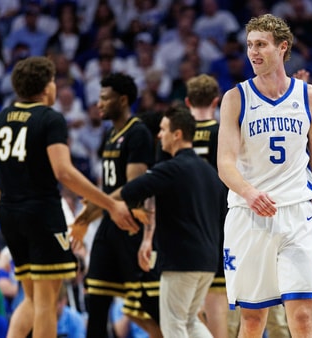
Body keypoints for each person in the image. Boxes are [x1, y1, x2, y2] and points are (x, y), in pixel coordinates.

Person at [0, 56, 138, 338]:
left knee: (31, 298)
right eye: (53, 81)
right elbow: (64, 172)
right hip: (41, 213)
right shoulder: (50, 118)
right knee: (47, 301)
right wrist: (110, 203)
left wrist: (14, 201)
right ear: (45, 87)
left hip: (9, 213)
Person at [217, 13, 312, 338]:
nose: (253, 52)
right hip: (249, 214)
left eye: (261, 44)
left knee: (304, 316)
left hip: (297, 213)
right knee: (253, 320)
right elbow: (225, 164)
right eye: (250, 45)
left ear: (283, 47)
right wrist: (249, 193)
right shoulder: (236, 98)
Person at [121, 105, 226, 338]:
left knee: (173, 324)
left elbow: (130, 191)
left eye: (163, 130)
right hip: (209, 261)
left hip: (181, 261)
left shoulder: (170, 169)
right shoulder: (210, 172)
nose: (159, 135)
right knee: (190, 321)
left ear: (177, 134)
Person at [72, 73, 162, 338]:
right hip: (110, 225)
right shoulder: (111, 133)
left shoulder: (138, 133)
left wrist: (93, 210)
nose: (98, 104)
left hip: (132, 228)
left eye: (104, 98)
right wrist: (92, 209)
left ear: (122, 100)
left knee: (148, 307)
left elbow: (133, 187)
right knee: (96, 301)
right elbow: (108, 186)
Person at [184, 74, 231, 338]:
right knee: (216, 301)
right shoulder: (222, 133)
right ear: (217, 100)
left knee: (188, 304)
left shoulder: (179, 134)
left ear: (187, 101)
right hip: (217, 223)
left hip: (185, 223)